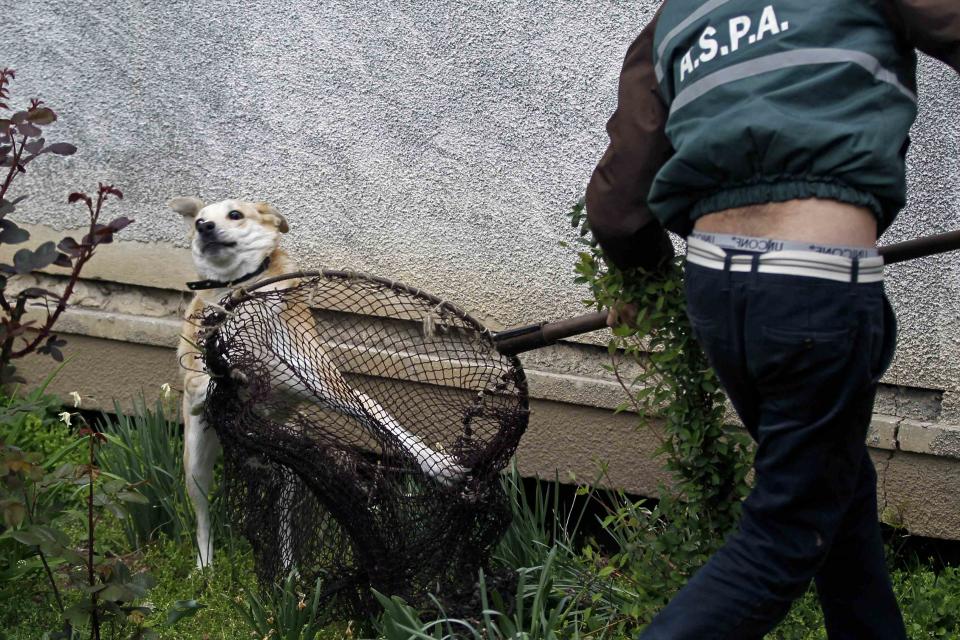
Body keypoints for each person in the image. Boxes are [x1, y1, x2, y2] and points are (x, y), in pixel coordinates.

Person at [585, 1, 959, 638]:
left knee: (835, 493)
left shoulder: (676, 16)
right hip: (814, 288)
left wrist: (643, 274)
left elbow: (620, 203)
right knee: (784, 536)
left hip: (719, 292)